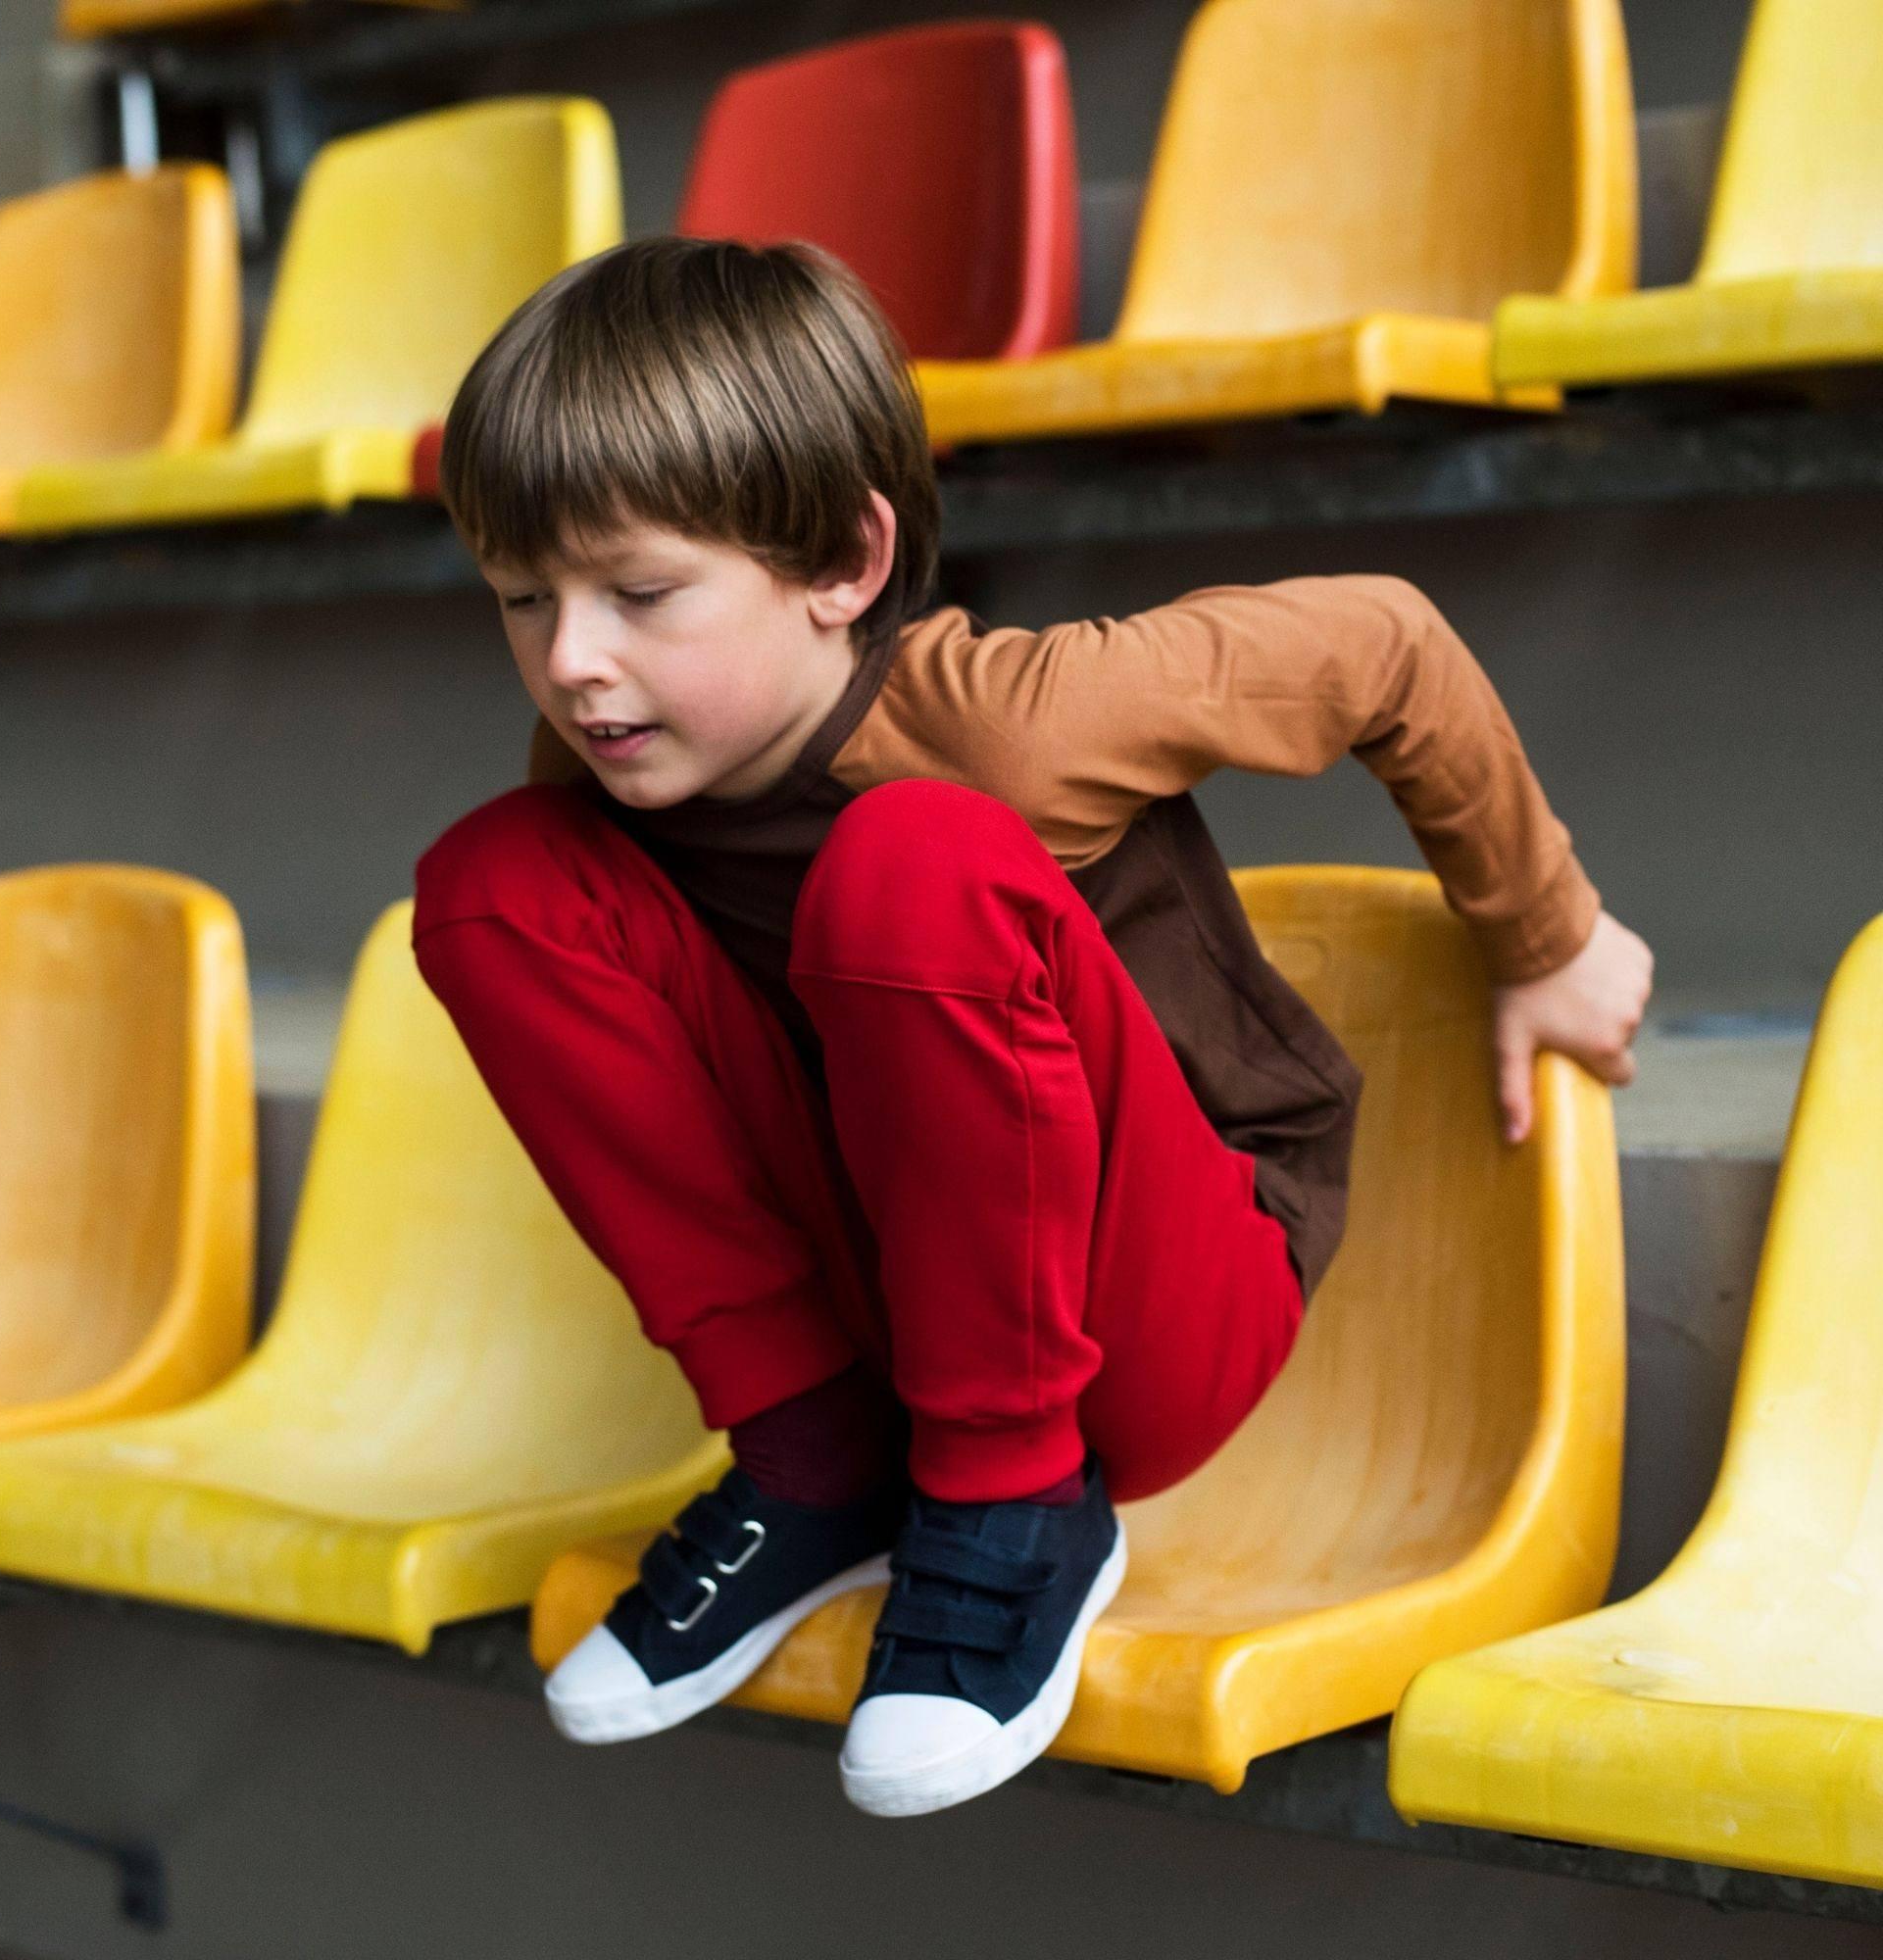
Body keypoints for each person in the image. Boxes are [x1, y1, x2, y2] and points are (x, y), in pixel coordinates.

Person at [410, 236, 1654, 1818]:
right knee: (494, 884)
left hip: (1151, 1305)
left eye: (640, 593)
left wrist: (1543, 932)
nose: (574, 657)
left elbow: (1389, 644)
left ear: (843, 568)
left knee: (913, 862)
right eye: (526, 598)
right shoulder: (591, 758)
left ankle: (1019, 1505)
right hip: (900, 1289)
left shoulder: (1011, 718)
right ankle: (817, 1453)